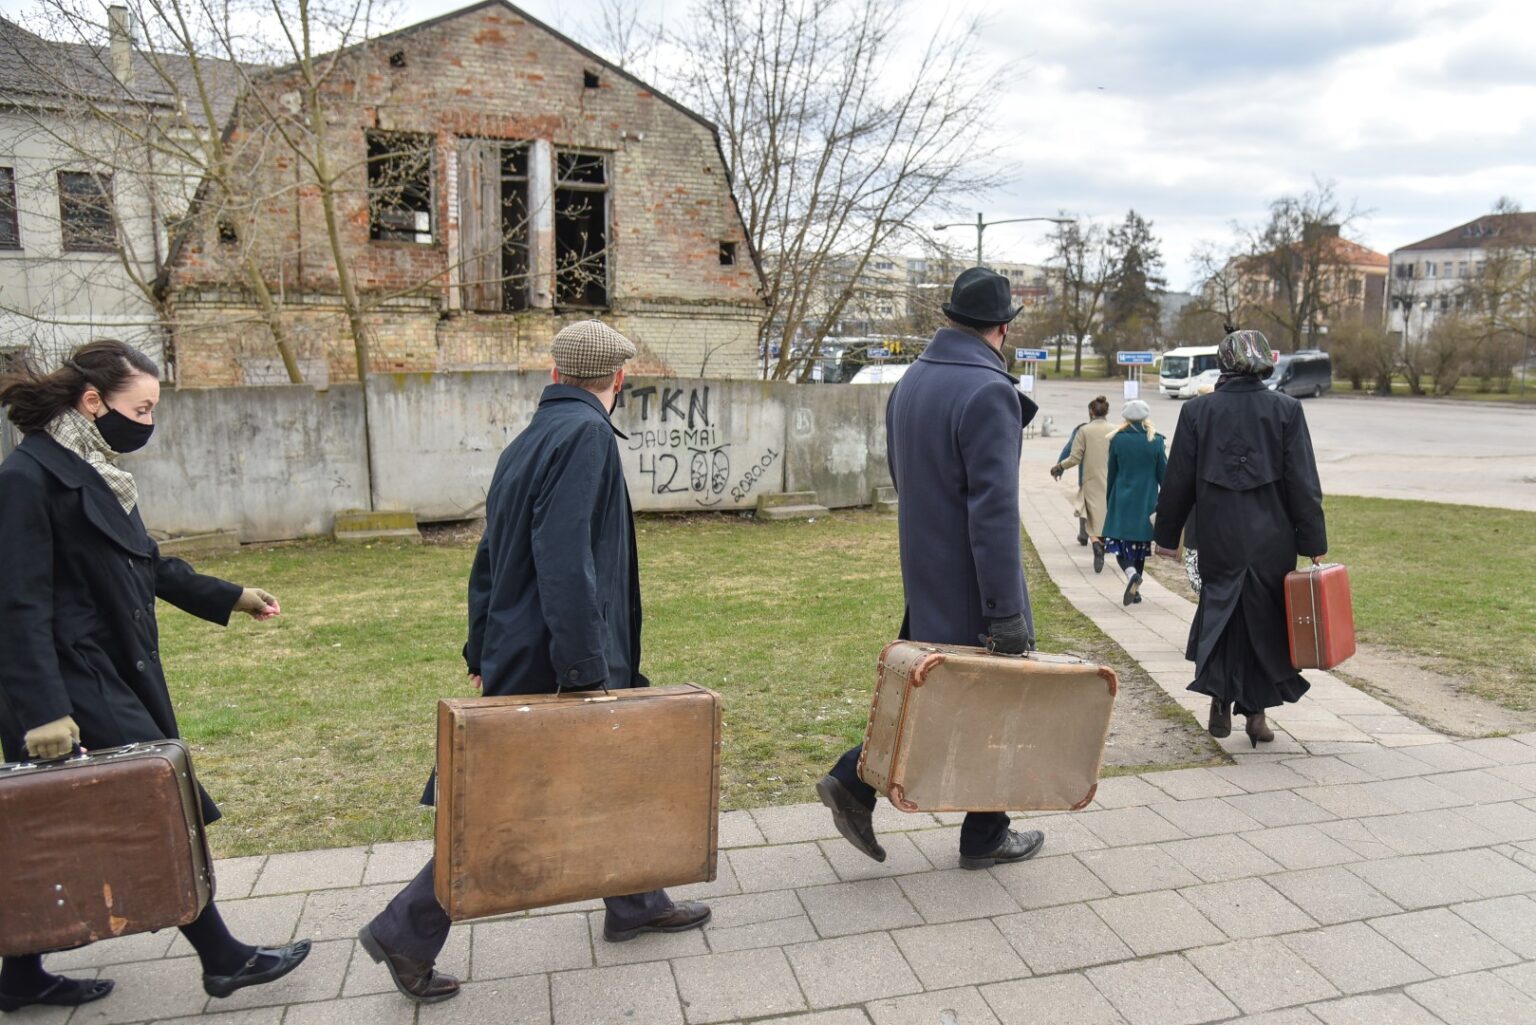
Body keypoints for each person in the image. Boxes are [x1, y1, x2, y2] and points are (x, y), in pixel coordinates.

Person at [357, 321, 710, 1005]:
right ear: (619, 381)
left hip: (521, 642)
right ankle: (405, 929)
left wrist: (479, 644)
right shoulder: (584, 436)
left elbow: (490, 555)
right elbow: (562, 558)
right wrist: (583, 671)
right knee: (504, 809)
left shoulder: (530, 437)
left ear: (554, 376)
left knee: (601, 779)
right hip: (560, 652)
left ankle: (635, 899)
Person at [0, 340, 310, 1015]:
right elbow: (16, 603)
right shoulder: (27, 478)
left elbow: (145, 564)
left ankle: (18, 973)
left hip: (106, 670)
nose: (146, 423)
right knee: (153, 807)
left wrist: (230, 594)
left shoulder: (92, 467)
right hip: (72, 685)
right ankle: (223, 958)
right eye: (139, 408)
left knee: (57, 827)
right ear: (92, 400)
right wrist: (42, 711)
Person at [818, 267, 1046, 871]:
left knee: (945, 698)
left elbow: (906, 478)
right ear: (1002, 328)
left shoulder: (913, 380)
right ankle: (868, 784)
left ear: (951, 319)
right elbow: (993, 513)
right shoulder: (988, 392)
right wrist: (1006, 611)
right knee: (990, 699)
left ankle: (967, 822)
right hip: (974, 580)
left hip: (926, 566)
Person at [1153, 329, 1327, 748]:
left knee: (1221, 613)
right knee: (1264, 623)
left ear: (1224, 362)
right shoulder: (1286, 409)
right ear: (1265, 360)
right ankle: (1256, 715)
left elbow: (1176, 480)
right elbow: (1303, 481)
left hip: (1217, 534)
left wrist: (1166, 536)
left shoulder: (1197, 411)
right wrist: (1313, 540)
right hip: (1272, 539)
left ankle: (1221, 698)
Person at [1101, 400, 1167, 606]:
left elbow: (1112, 472)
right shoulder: (1156, 441)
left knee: (1120, 546)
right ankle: (1135, 589)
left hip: (1121, 499)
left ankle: (1131, 576)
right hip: (1147, 501)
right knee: (1140, 547)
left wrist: (1109, 498)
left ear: (1125, 417)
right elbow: (1163, 475)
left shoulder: (1117, 440)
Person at [1051, 396, 1117, 570]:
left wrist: (1059, 466)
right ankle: (1103, 543)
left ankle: (1094, 543)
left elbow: (1073, 455)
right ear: (1107, 411)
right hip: (1112, 479)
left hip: (1089, 479)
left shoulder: (1083, 430)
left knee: (1088, 514)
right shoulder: (1116, 430)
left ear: (1091, 412)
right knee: (1106, 512)